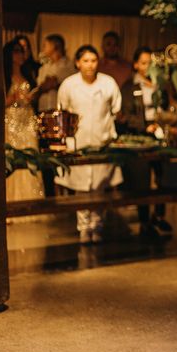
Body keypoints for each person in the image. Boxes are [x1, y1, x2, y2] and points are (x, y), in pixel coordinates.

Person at [55, 45, 123, 244]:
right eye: (85, 60)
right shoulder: (69, 84)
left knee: (100, 187)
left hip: (102, 140)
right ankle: (84, 227)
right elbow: (63, 114)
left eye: (93, 60)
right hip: (79, 141)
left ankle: (98, 225)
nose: (89, 65)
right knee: (82, 189)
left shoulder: (108, 83)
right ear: (77, 63)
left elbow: (116, 109)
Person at [117, 46, 171, 238]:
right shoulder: (129, 86)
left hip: (160, 131)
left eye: (151, 63)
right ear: (135, 64)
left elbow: (168, 106)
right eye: (143, 62)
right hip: (139, 135)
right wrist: (144, 126)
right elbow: (125, 115)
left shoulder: (160, 84)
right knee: (141, 180)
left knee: (162, 176)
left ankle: (159, 215)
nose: (147, 66)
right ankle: (144, 220)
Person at [3, 38, 44, 208]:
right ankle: (12, 202)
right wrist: (12, 98)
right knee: (13, 157)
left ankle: (32, 202)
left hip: (27, 119)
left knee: (30, 155)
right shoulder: (4, 75)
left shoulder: (28, 73)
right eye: (17, 51)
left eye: (22, 51)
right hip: (12, 119)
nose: (21, 55)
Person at [35, 34, 76, 112]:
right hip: (43, 108)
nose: (43, 49)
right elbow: (39, 86)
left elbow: (72, 87)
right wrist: (45, 85)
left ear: (54, 46)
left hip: (61, 109)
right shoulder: (44, 67)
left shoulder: (69, 66)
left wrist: (56, 84)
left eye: (45, 45)